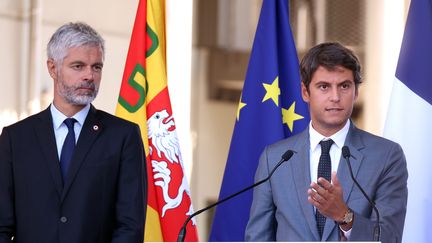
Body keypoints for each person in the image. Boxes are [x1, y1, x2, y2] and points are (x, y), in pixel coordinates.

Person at [245, 42, 407, 242]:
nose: (335, 97)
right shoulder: (275, 158)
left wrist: (345, 217)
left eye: (344, 86)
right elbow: (257, 237)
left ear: (356, 92)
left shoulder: (386, 155)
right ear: (305, 92)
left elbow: (390, 238)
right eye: (324, 87)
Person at [0, 22, 146, 243]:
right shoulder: (16, 139)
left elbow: (130, 226)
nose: (89, 75)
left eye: (96, 67)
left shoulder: (123, 136)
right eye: (78, 66)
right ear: (52, 68)